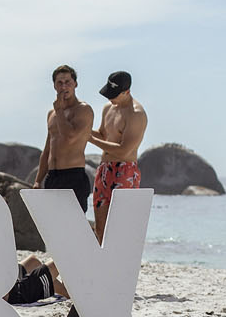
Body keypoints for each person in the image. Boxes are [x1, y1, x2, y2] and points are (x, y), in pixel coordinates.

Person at [89, 70, 147, 242]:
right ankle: (101, 266)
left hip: (125, 171)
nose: (110, 98)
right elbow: (102, 135)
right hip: (104, 170)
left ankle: (119, 266)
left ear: (126, 92)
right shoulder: (108, 108)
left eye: (114, 95)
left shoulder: (136, 114)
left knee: (119, 228)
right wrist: (81, 130)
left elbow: (124, 151)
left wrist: (88, 138)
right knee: (100, 227)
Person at [32, 64, 94, 213]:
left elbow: (69, 137)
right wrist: (38, 180)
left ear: (75, 84)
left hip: (73, 175)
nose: (63, 86)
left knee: (73, 227)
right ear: (54, 86)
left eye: (68, 82)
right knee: (52, 227)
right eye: (59, 83)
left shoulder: (83, 110)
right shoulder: (51, 114)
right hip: (53, 177)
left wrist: (59, 110)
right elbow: (47, 149)